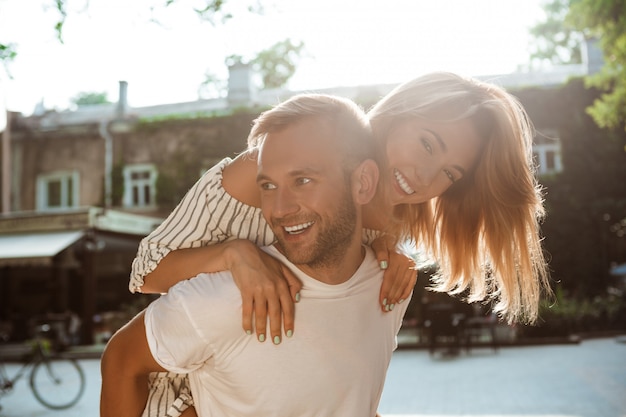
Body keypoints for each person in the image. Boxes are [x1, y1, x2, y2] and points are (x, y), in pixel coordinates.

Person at [128, 72, 551, 415]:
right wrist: (234, 255)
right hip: (178, 394)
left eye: (449, 173)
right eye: (426, 144)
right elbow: (147, 273)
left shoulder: (392, 225)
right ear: (397, 112)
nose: (424, 177)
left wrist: (385, 259)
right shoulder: (274, 164)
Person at [100, 93, 410, 417]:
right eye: (268, 186)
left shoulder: (390, 287)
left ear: (364, 183)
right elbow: (121, 359)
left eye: (303, 180)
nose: (279, 209)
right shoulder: (226, 298)